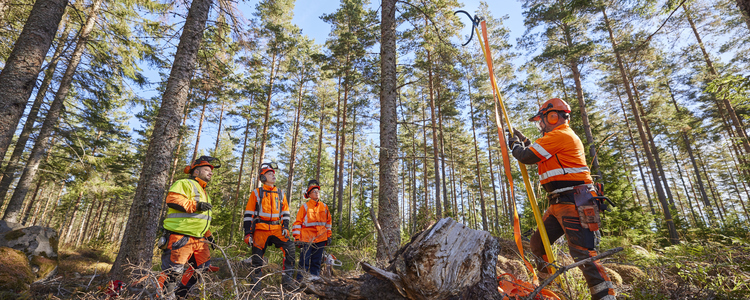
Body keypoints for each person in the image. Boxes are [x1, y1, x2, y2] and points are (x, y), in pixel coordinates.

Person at [508, 98, 616, 300]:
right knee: (539, 245)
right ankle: (549, 289)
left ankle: (605, 297)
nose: (541, 125)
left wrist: (515, 146)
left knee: (583, 253)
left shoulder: (561, 134)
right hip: (558, 202)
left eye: (542, 120)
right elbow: (539, 154)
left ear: (553, 116)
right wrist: (526, 144)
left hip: (575, 201)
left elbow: (527, 157)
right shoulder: (554, 138)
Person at [157, 156, 221, 299]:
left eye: (211, 171)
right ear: (196, 172)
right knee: (172, 272)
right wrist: (196, 205)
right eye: (206, 170)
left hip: (199, 239)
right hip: (180, 236)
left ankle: (180, 294)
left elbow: (201, 219)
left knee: (203, 268)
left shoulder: (204, 192)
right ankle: (164, 296)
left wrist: (208, 235)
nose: (210, 173)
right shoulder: (184, 183)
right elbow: (172, 200)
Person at [243, 162, 296, 290]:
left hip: (277, 228)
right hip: (260, 229)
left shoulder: (280, 193)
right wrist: (247, 233)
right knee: (257, 258)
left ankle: (287, 282)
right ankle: (255, 287)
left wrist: (285, 227)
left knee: (290, 249)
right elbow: (248, 214)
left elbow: (285, 212)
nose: (273, 175)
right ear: (262, 178)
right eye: (270, 173)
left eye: (273, 173)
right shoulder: (256, 193)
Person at [292, 179, 332, 279]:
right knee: (304, 262)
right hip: (307, 239)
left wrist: (328, 236)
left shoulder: (324, 207)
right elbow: (297, 223)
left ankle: (315, 283)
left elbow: (328, 223)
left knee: (316, 262)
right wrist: (297, 238)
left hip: (321, 238)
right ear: (309, 195)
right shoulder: (304, 207)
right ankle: (300, 282)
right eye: (314, 191)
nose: (316, 193)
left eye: (318, 191)